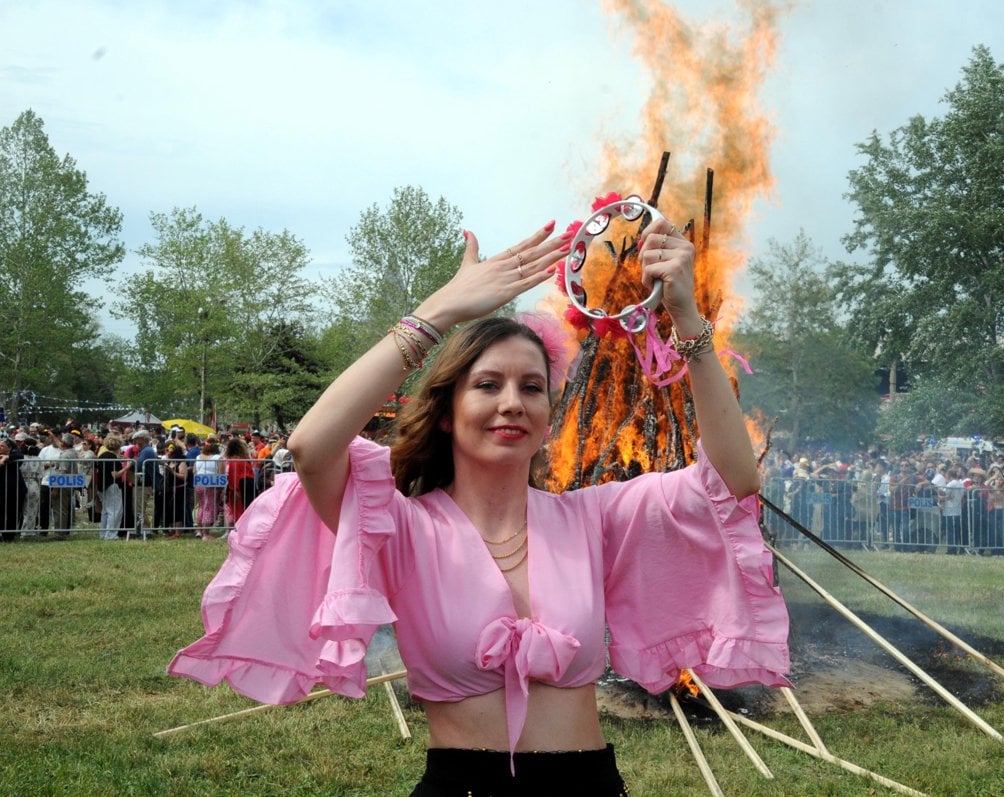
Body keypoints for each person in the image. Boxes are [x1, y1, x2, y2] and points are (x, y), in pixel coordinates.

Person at [170, 216, 791, 795]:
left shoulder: (596, 519)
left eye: (531, 388)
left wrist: (686, 317)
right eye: (487, 385)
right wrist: (439, 313)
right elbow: (310, 447)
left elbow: (733, 478)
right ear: (447, 414)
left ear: (550, 417)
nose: (512, 403)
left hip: (590, 785)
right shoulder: (401, 527)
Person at [0, 438, 28, 542]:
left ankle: (9, 536)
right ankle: (2, 533)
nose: (0, 448)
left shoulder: (15, 455)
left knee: (13, 513)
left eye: (2, 446)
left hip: (15, 490)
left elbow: (20, 456)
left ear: (9, 448)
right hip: (2, 490)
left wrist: (6, 457)